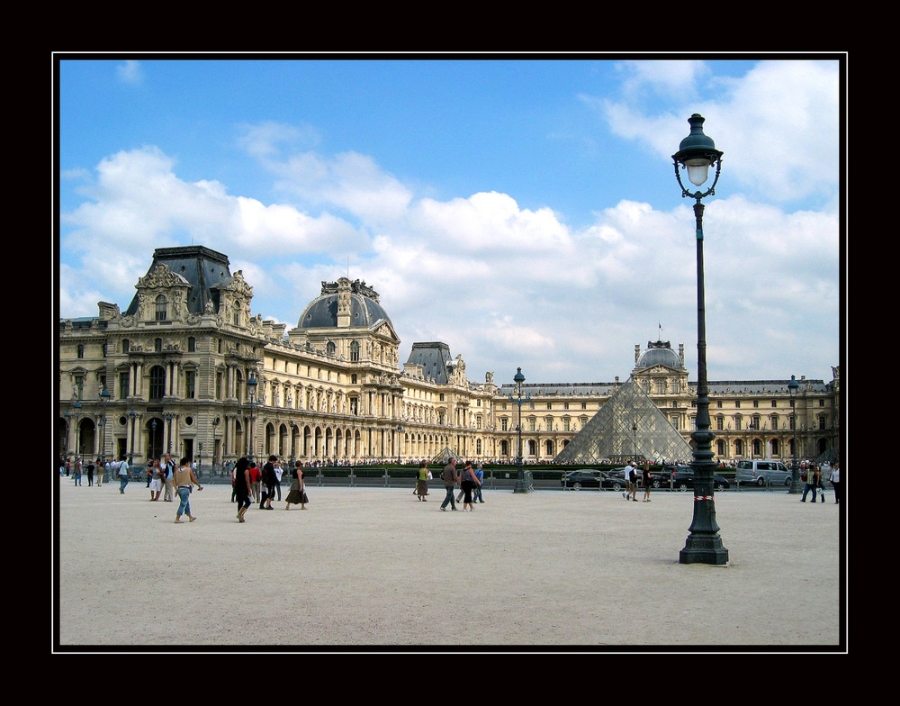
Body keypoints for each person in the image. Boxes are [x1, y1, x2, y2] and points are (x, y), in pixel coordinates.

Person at [174, 456, 203, 523]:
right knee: (183, 503)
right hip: (185, 488)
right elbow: (193, 479)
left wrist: (176, 489)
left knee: (186, 503)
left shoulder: (177, 470)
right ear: (186, 463)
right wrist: (199, 485)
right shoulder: (188, 469)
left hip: (179, 488)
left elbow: (174, 480)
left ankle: (190, 516)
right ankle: (177, 518)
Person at [234, 457, 252, 522]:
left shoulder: (237, 470)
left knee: (240, 502)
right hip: (243, 488)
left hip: (238, 487)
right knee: (248, 502)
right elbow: (247, 481)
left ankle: (241, 517)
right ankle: (240, 514)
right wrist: (249, 490)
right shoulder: (246, 471)